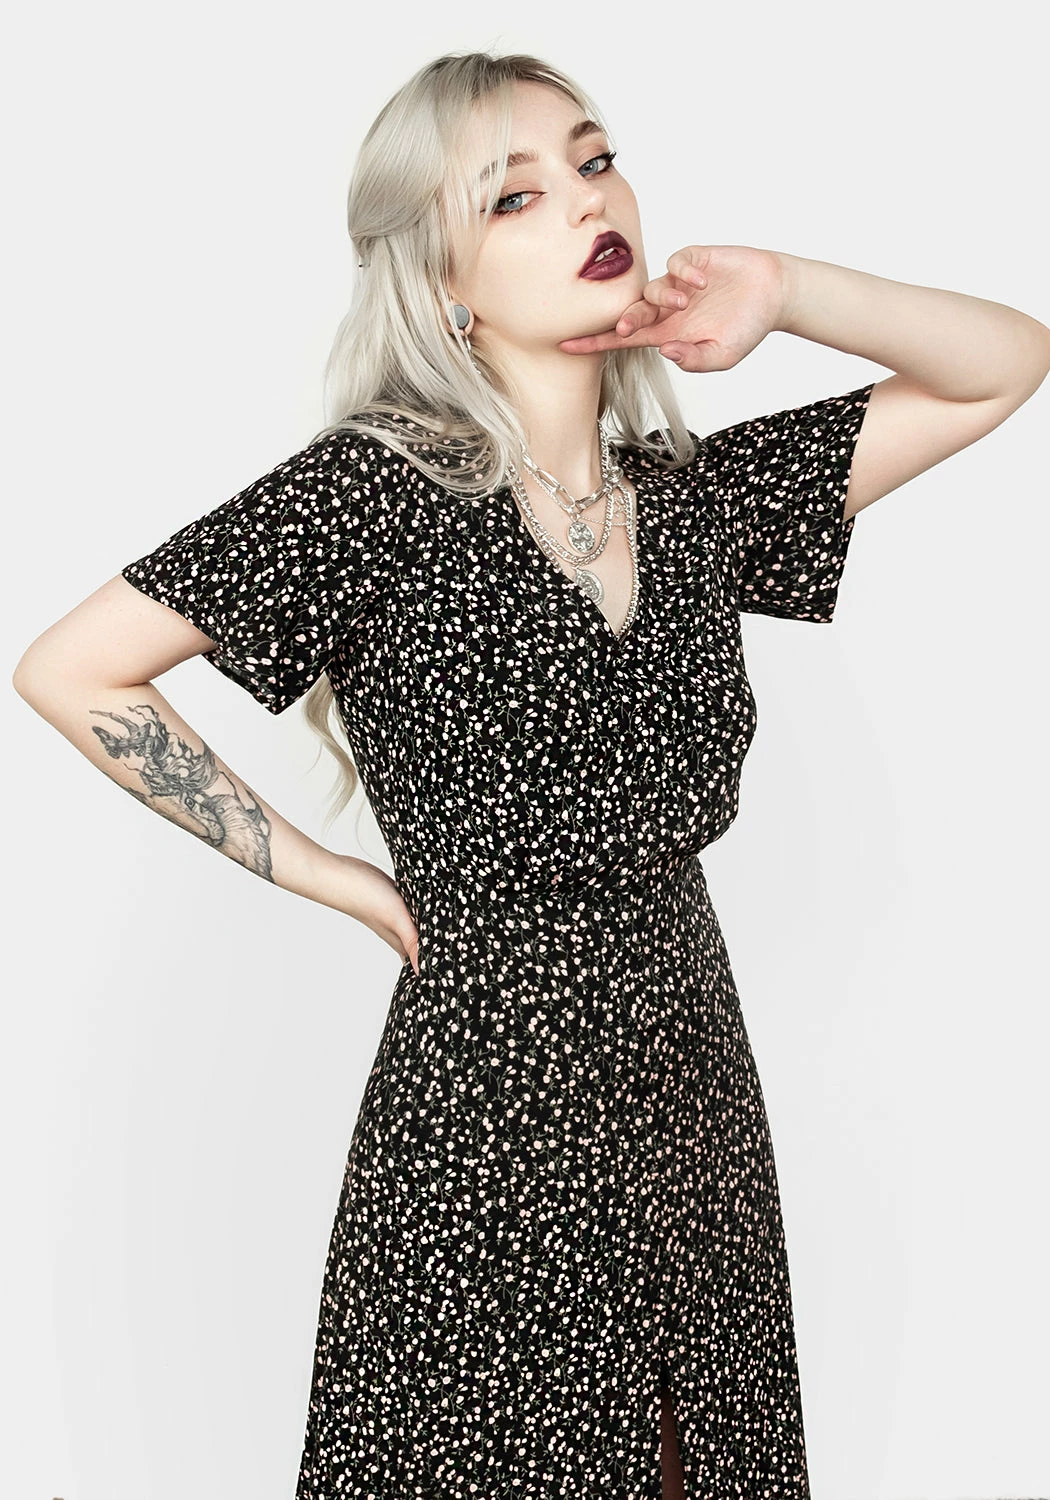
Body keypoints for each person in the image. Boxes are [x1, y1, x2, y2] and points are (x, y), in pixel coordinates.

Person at [12, 47, 1049, 1500]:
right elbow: (73, 669)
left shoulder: (691, 500)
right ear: (441, 278)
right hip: (490, 1095)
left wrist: (785, 290)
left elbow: (1003, 362)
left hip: (689, 1075)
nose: (584, 201)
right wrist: (337, 882)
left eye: (595, 159)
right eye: (512, 196)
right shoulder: (375, 492)